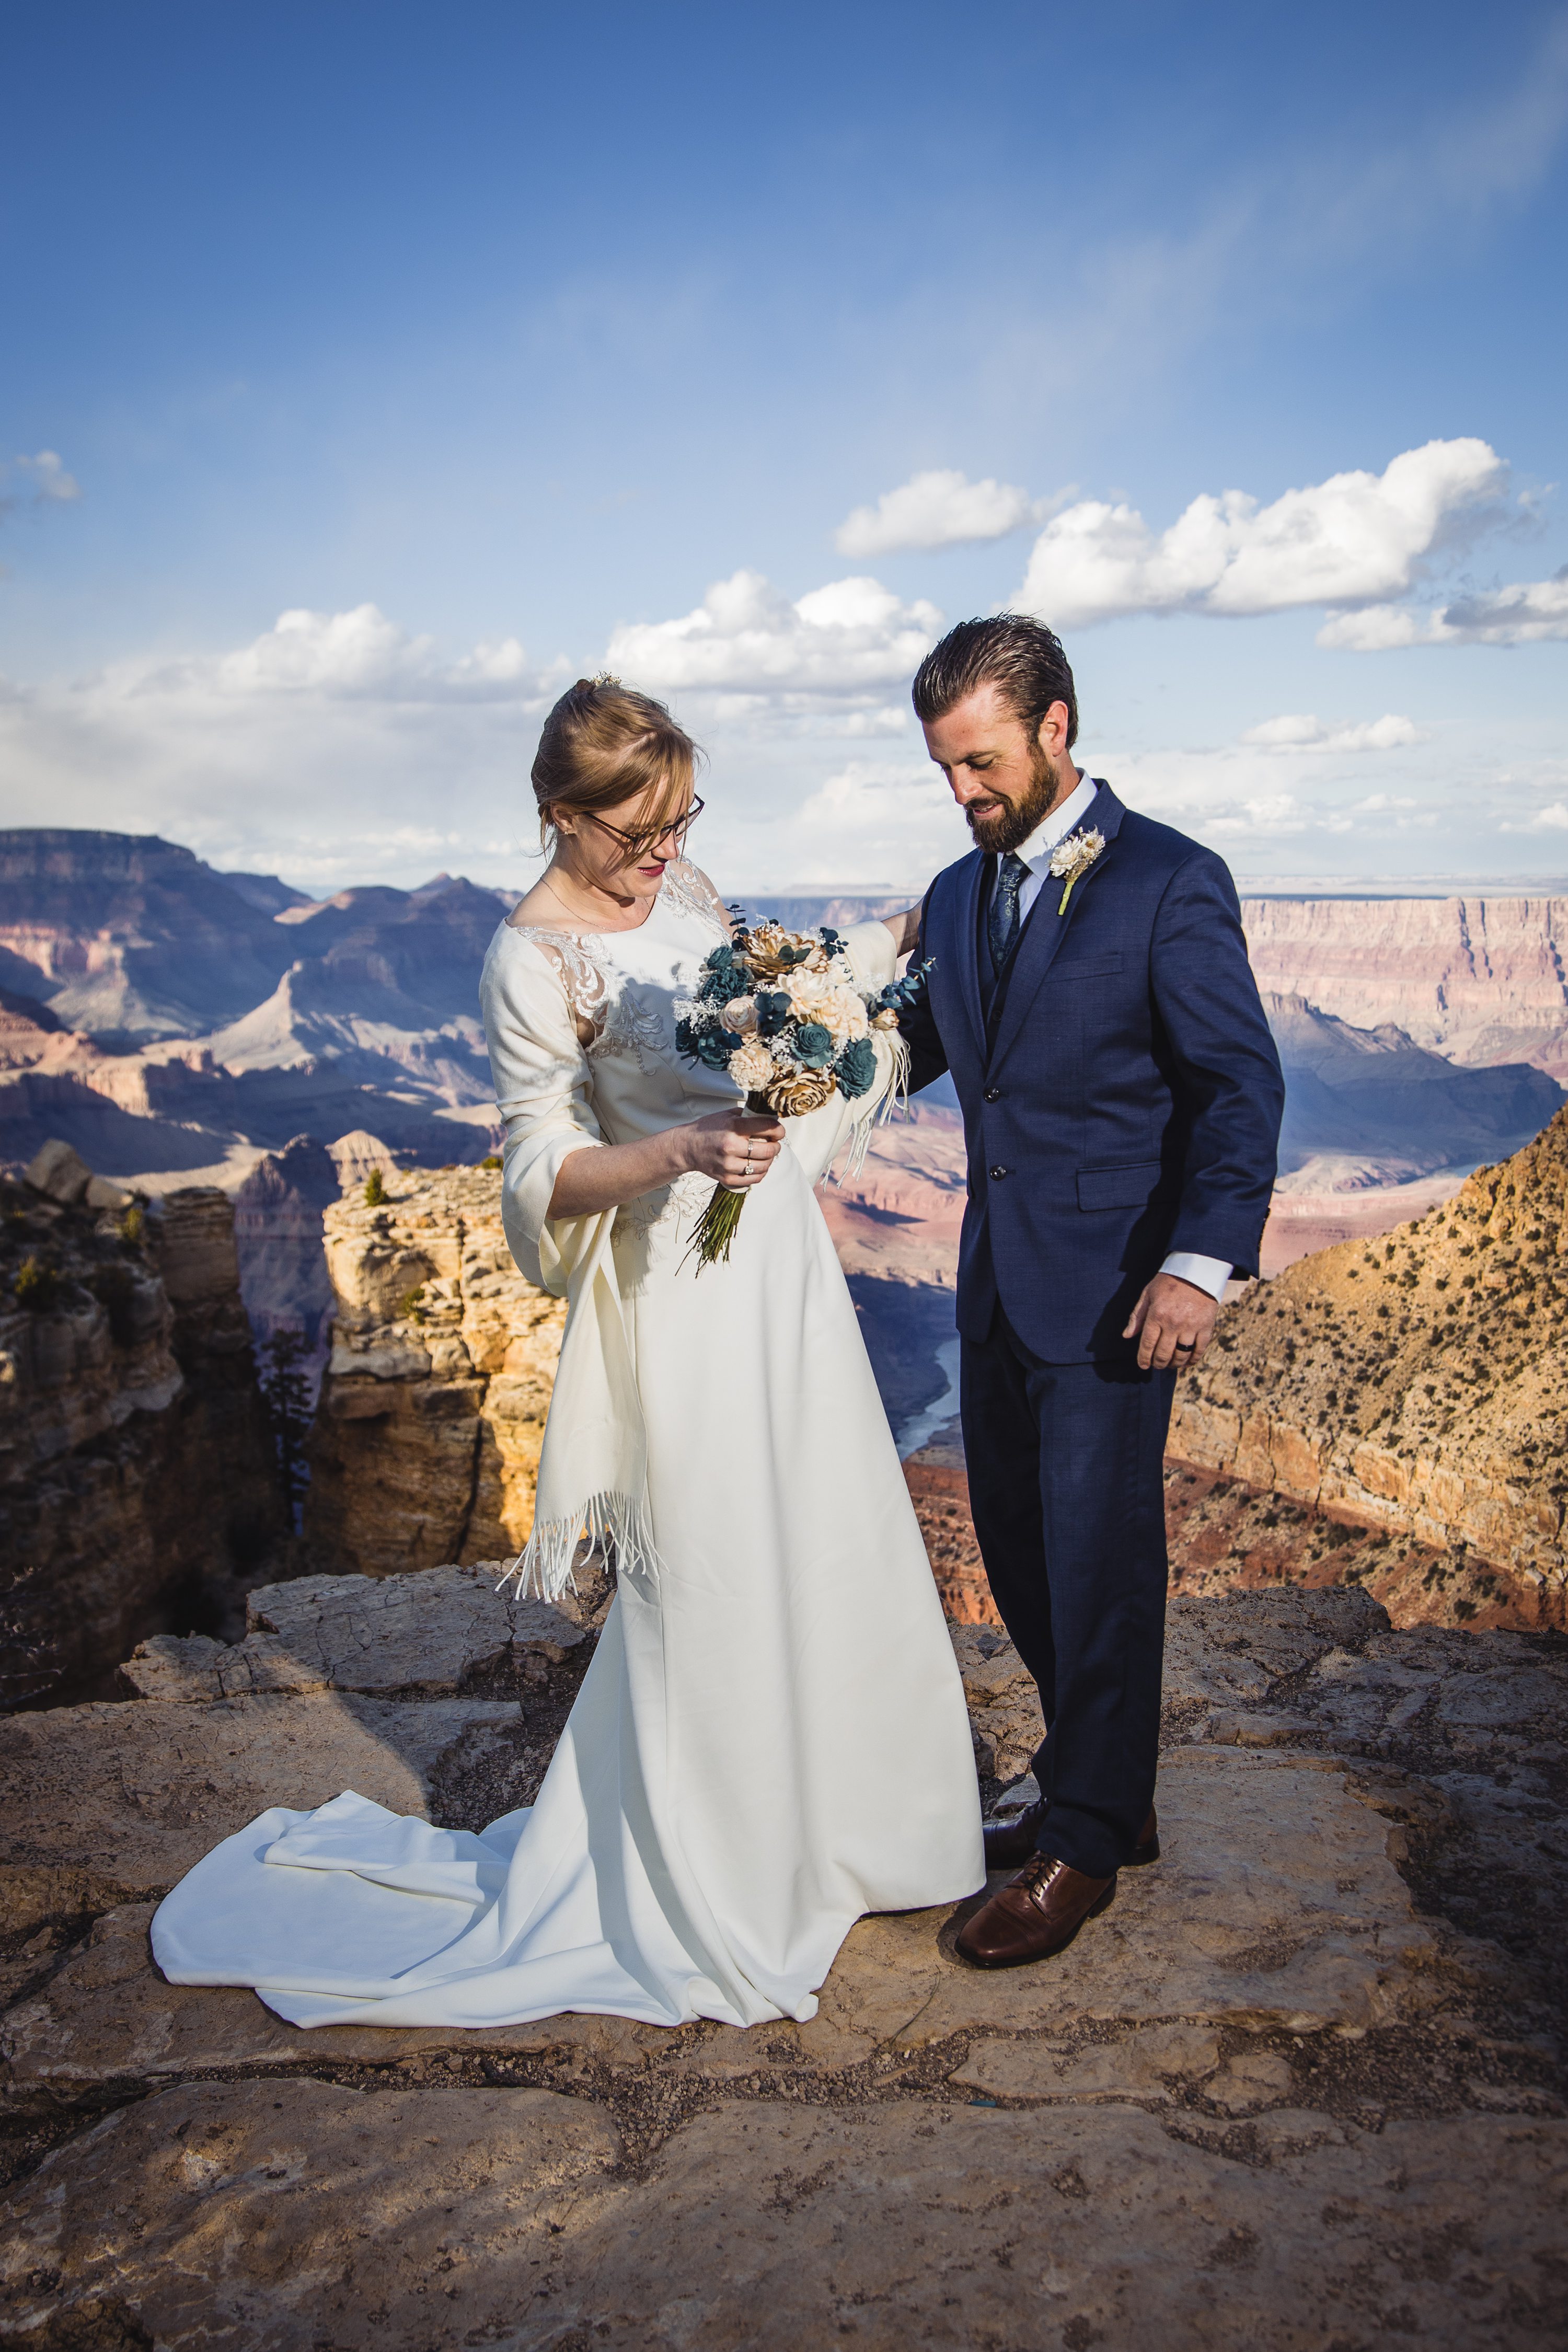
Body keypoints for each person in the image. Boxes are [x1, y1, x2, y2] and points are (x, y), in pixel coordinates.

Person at [151, 675, 982, 2031]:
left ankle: (865, 1832)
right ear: (561, 814)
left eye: (682, 816)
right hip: (678, 1285)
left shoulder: (689, 884)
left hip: (777, 1263)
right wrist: (682, 1146)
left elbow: (754, 1010)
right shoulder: (528, 958)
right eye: (641, 827)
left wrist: (827, 1013)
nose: (667, 848)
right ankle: (715, 1868)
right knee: (709, 1568)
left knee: (822, 1523)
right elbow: (541, 1180)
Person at [895, 616, 1285, 1970]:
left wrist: (1198, 1265)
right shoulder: (957, 893)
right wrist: (780, 1059)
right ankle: (1098, 1783)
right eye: (945, 768)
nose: (965, 792)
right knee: (1016, 1545)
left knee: (1099, 1556)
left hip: (1121, 1292)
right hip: (998, 1283)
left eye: (983, 762)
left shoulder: (1172, 880)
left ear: (1057, 726)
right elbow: (929, 1052)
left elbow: (1238, 1087)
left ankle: (1086, 1843)